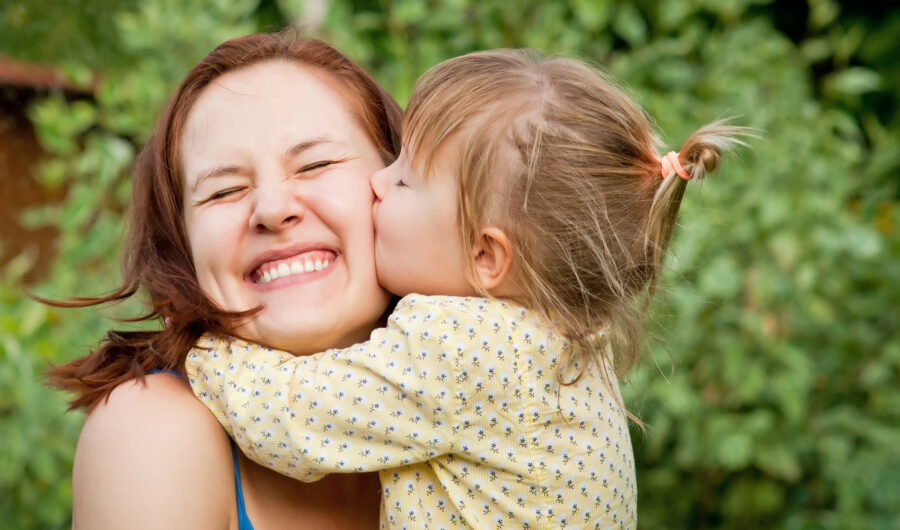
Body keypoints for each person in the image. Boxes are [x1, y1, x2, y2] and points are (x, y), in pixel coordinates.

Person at [185, 50, 748, 529]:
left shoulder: (462, 347)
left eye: (404, 178)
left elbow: (286, 420)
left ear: (486, 255)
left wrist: (203, 346)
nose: (376, 183)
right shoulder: (570, 341)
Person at [46, 33, 403, 529]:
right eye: (225, 191)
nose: (273, 210)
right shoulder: (151, 431)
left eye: (316, 164)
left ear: (402, 184)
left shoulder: (511, 384)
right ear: (182, 250)